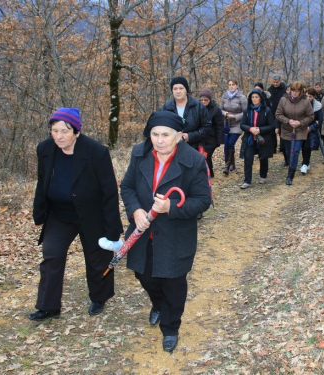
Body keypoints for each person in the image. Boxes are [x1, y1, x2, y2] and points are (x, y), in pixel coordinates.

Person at [120, 111, 211, 353]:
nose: (159, 140)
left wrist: (171, 206)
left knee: (173, 283)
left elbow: (202, 200)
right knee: (144, 275)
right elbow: (127, 187)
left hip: (175, 235)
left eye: (165, 135)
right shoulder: (139, 154)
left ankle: (171, 327)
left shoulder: (194, 160)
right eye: (154, 134)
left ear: (179, 136)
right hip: (143, 233)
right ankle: (159, 304)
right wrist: (136, 211)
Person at [28, 107, 123, 321]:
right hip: (59, 214)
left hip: (91, 213)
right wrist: (39, 212)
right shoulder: (45, 149)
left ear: (76, 131)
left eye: (64, 131)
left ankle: (99, 298)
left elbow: (109, 191)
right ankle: (48, 306)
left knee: (97, 258)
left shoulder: (96, 152)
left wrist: (112, 228)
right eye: (54, 131)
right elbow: (42, 182)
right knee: (51, 255)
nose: (59, 136)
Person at [275, 81, 314, 185]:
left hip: (300, 130)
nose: (295, 93)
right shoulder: (284, 100)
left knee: (295, 152)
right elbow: (278, 114)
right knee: (288, 151)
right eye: (293, 90)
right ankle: (291, 165)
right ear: (290, 90)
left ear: (301, 91)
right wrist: (288, 121)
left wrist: (300, 123)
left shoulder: (305, 101)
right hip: (287, 130)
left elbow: (311, 116)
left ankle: (290, 174)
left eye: (297, 91)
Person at [159, 76, 212, 151]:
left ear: (186, 90)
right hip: (171, 150)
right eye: (175, 89)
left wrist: (190, 136)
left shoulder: (199, 107)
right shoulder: (166, 108)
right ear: (172, 91)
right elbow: (159, 128)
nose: (178, 91)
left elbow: (207, 127)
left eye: (181, 88)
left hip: (194, 149)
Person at [239, 88, 276, 188]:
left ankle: (263, 176)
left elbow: (272, 125)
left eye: (256, 97)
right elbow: (242, 125)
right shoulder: (247, 110)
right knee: (248, 158)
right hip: (250, 138)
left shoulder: (266, 110)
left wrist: (260, 129)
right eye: (252, 97)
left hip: (263, 138)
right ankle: (247, 181)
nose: (254, 99)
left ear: (260, 98)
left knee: (263, 158)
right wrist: (251, 129)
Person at [219, 79, 247, 175]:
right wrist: (225, 113)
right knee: (227, 144)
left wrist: (234, 116)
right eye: (229, 84)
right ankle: (231, 163)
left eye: (233, 85)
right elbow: (220, 109)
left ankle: (227, 165)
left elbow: (246, 112)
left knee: (231, 142)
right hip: (226, 123)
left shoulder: (242, 97)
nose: (231, 86)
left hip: (237, 124)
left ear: (236, 86)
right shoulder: (225, 96)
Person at [199, 88, 224, 178]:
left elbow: (220, 125)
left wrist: (219, 140)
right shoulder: (197, 108)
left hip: (212, 138)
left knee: (206, 156)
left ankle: (208, 175)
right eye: (201, 100)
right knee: (205, 157)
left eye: (206, 100)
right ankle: (210, 173)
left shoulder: (216, 110)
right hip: (201, 137)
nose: (203, 101)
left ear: (210, 99)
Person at [300, 88, 323, 174]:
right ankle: (306, 162)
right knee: (302, 147)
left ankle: (305, 163)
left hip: (311, 130)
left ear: (313, 97)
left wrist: (310, 128)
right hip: (301, 128)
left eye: (310, 96)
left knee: (307, 147)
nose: (308, 98)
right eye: (306, 96)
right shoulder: (300, 104)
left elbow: (320, 120)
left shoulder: (317, 106)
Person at [267, 74, 287, 158]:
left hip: (282, 112)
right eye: (274, 82)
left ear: (280, 81)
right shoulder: (269, 89)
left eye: (277, 82)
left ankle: (283, 147)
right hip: (271, 112)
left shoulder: (284, 89)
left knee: (281, 130)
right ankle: (273, 148)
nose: (275, 84)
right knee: (272, 131)